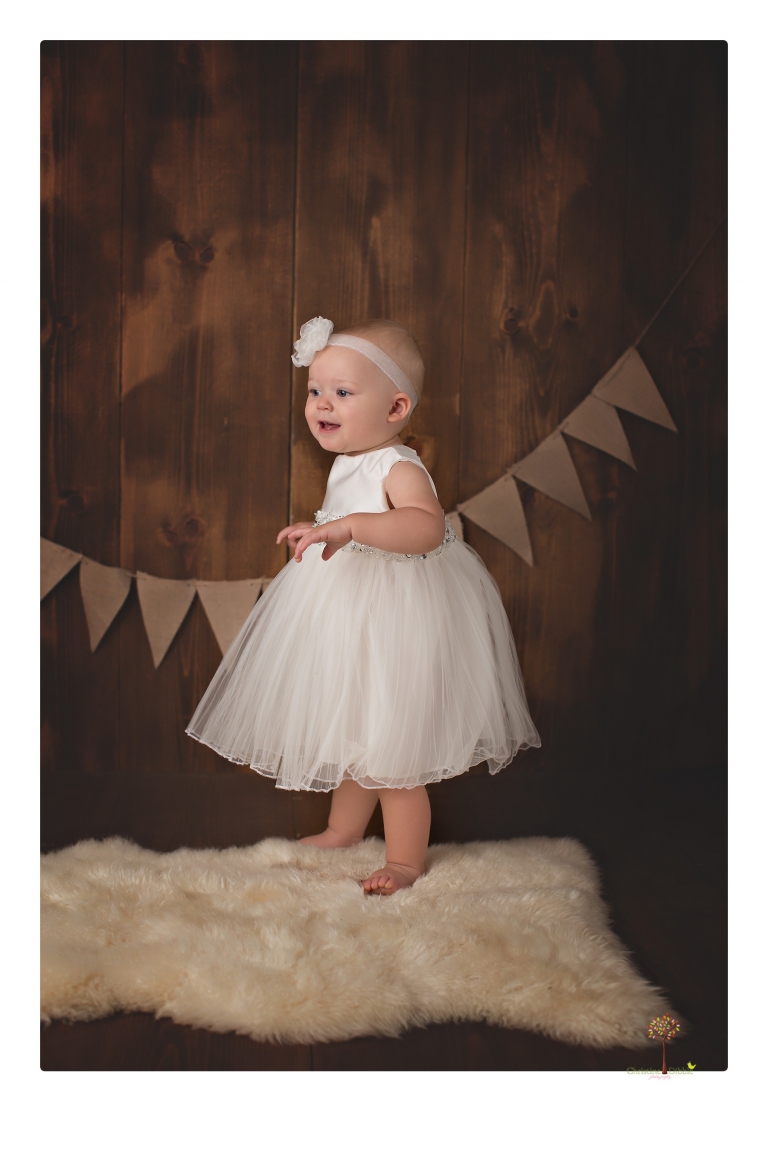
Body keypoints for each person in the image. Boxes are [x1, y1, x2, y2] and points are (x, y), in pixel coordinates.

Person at [185, 316, 541, 894]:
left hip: (393, 616)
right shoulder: (350, 458)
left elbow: (425, 528)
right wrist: (325, 527)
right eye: (315, 391)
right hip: (348, 609)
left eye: (342, 393)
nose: (322, 404)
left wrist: (350, 525)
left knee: (392, 744)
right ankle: (343, 830)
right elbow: (347, 516)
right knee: (354, 726)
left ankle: (403, 861)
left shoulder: (396, 465)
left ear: (396, 408)